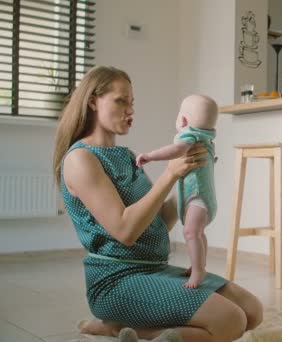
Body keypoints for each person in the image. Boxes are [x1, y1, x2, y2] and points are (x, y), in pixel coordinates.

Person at [53, 66, 263, 342]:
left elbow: (158, 223)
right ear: (93, 101)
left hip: (154, 270)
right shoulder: (80, 160)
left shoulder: (126, 156)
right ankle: (117, 328)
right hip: (116, 281)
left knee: (253, 311)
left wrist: (190, 179)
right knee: (231, 321)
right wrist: (170, 173)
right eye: (121, 101)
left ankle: (118, 328)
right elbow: (125, 231)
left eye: (132, 103)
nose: (130, 111)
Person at [136, 94, 218, 288]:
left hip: (196, 198)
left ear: (182, 120)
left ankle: (198, 271)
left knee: (190, 232)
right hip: (206, 201)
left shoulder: (188, 136)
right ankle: (200, 265)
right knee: (197, 233)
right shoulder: (207, 138)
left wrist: (151, 156)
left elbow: (176, 150)